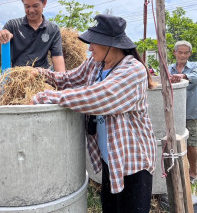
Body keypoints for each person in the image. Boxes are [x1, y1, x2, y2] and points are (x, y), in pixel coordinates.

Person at [30, 14, 157, 213]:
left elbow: (98, 97)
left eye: (94, 43)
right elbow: (69, 79)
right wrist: (42, 74)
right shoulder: (96, 64)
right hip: (111, 157)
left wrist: (47, 97)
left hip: (132, 161)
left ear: (111, 45)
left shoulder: (133, 70)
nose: (89, 48)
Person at [0, 0, 65, 72]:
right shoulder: (13, 25)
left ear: (44, 3)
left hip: (42, 77)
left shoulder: (53, 29)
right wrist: (0, 37)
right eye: (27, 6)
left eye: (35, 6)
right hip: (16, 76)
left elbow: (57, 57)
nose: (31, 10)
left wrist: (61, 80)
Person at [168, 40, 197, 183]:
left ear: (190, 54)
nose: (183, 55)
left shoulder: (194, 66)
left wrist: (183, 77)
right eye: (180, 52)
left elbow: (195, 77)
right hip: (174, 112)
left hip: (192, 111)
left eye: (186, 52)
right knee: (176, 141)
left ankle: (193, 172)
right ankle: (178, 169)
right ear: (175, 53)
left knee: (192, 144)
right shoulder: (169, 68)